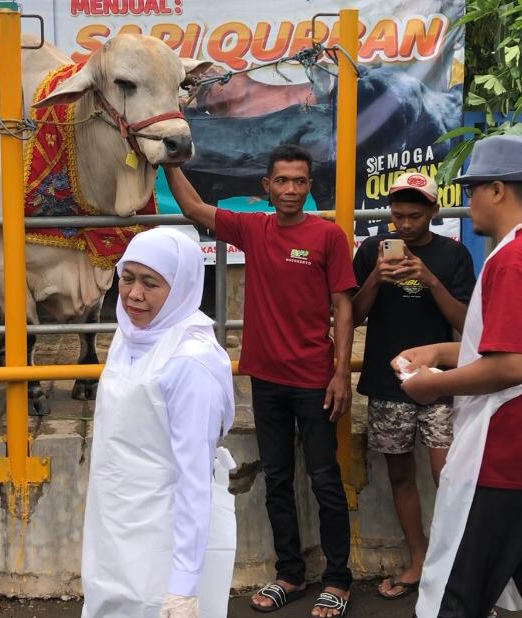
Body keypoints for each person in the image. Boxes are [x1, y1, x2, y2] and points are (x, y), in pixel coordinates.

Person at [397, 135, 522, 618]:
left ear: (497, 189)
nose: (469, 206)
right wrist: (442, 351)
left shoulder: (514, 258)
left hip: (508, 450)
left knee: (456, 586)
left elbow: (515, 364)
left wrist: (433, 383)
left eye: (471, 192)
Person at [165, 144, 356, 618]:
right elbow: (192, 207)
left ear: (309, 186)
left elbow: (343, 306)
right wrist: (166, 161)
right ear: (265, 188)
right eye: (282, 181)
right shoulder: (254, 227)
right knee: (277, 482)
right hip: (266, 380)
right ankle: (289, 574)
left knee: (325, 480)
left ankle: (338, 580)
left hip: (315, 380)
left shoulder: (328, 236)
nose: (291, 189)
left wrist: (340, 373)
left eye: (300, 181)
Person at [81, 227, 237, 618]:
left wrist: (183, 585)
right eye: (127, 278)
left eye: (151, 283)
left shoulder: (190, 361)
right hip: (115, 526)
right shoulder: (130, 333)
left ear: (182, 286)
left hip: (163, 541)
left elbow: (194, 479)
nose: (134, 294)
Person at [350, 172, 475, 600]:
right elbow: (356, 313)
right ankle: (419, 560)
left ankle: (458, 563)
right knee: (400, 475)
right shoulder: (371, 251)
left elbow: (465, 324)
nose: (404, 225)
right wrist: (375, 279)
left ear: (434, 213)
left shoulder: (453, 255)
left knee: (450, 475)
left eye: (415, 216)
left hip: (440, 383)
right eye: (398, 216)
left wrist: (430, 279)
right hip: (388, 385)